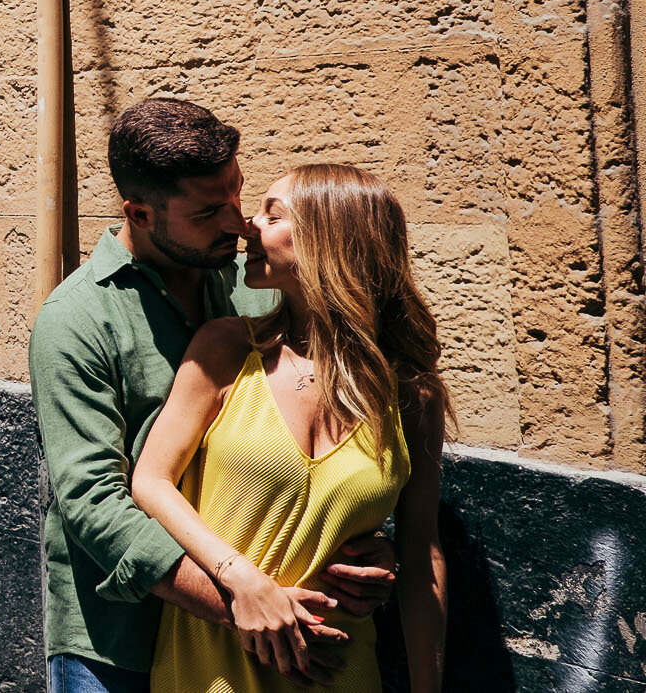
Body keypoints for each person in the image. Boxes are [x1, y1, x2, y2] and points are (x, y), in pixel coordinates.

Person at [29, 100, 396, 693]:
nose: (238, 223)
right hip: (121, 639)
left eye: (237, 195)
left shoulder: (257, 282)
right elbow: (95, 502)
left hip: (270, 640)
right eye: (208, 211)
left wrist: (374, 551)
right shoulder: (75, 321)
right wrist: (241, 604)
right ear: (140, 213)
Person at [132, 164, 449, 693]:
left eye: (272, 214)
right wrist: (242, 583)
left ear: (331, 239)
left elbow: (422, 556)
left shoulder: (411, 395)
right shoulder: (226, 349)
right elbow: (150, 481)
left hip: (339, 673)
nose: (247, 226)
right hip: (209, 670)